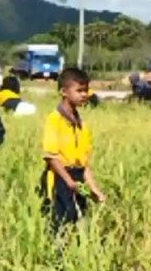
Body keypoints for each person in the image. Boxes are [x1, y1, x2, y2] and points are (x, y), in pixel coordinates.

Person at [41, 67, 106, 232]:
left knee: (80, 222)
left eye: (86, 90)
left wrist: (95, 189)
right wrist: (69, 182)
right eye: (79, 90)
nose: (84, 94)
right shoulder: (54, 120)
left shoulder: (82, 125)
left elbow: (84, 165)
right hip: (59, 177)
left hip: (77, 179)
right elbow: (51, 157)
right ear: (64, 91)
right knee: (59, 225)